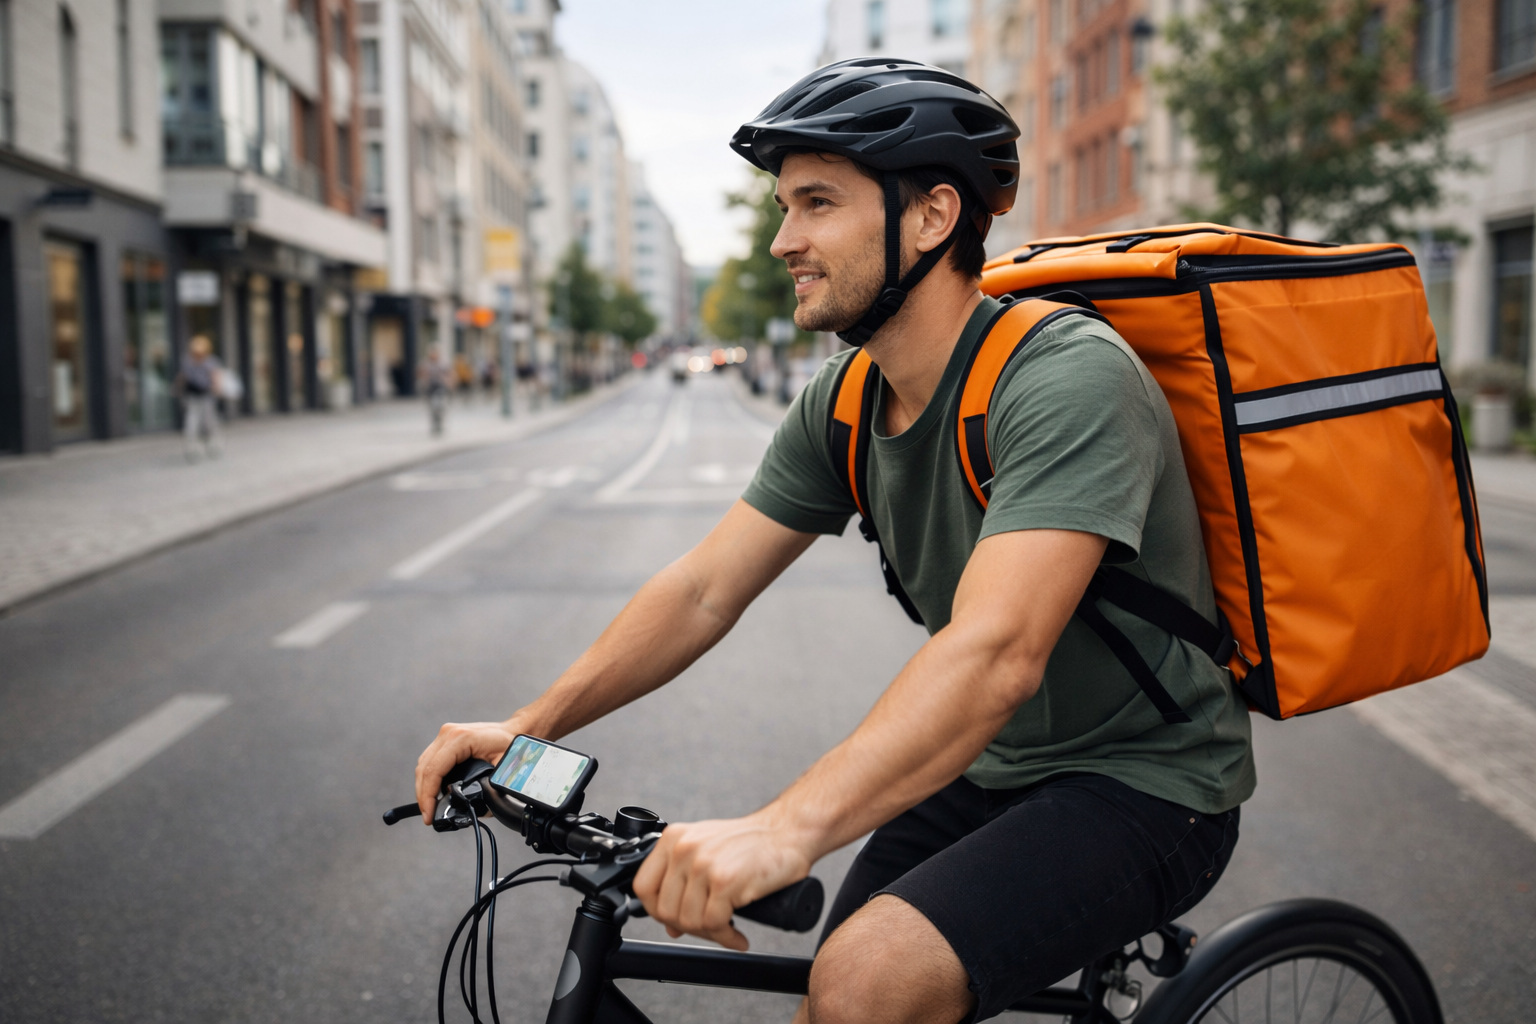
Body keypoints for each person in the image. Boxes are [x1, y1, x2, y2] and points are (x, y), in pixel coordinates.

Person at [416, 59, 1254, 1024]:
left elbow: (996, 654)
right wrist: (534, 723)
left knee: (866, 983)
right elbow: (704, 590)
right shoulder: (846, 399)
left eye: (816, 203)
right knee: (835, 993)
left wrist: (784, 830)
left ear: (935, 216)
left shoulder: (1065, 377)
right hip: (988, 766)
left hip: (1150, 779)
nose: (784, 240)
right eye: (783, 207)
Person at [177, 334, 223, 461]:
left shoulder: (210, 361)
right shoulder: (188, 361)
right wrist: (178, 388)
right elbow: (183, 377)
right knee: (191, 422)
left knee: (208, 422)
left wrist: (217, 388)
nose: (198, 354)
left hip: (206, 395)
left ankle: (212, 444)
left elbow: (215, 376)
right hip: (192, 396)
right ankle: (191, 448)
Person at [418, 344, 453, 436]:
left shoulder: (442, 363)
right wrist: (423, 381)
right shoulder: (426, 363)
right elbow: (421, 374)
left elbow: (449, 374)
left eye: (435, 353)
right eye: (432, 353)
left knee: (438, 405)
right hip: (430, 388)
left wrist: (449, 383)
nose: (433, 355)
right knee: (432, 408)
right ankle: (434, 424)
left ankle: (439, 423)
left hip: (440, 387)